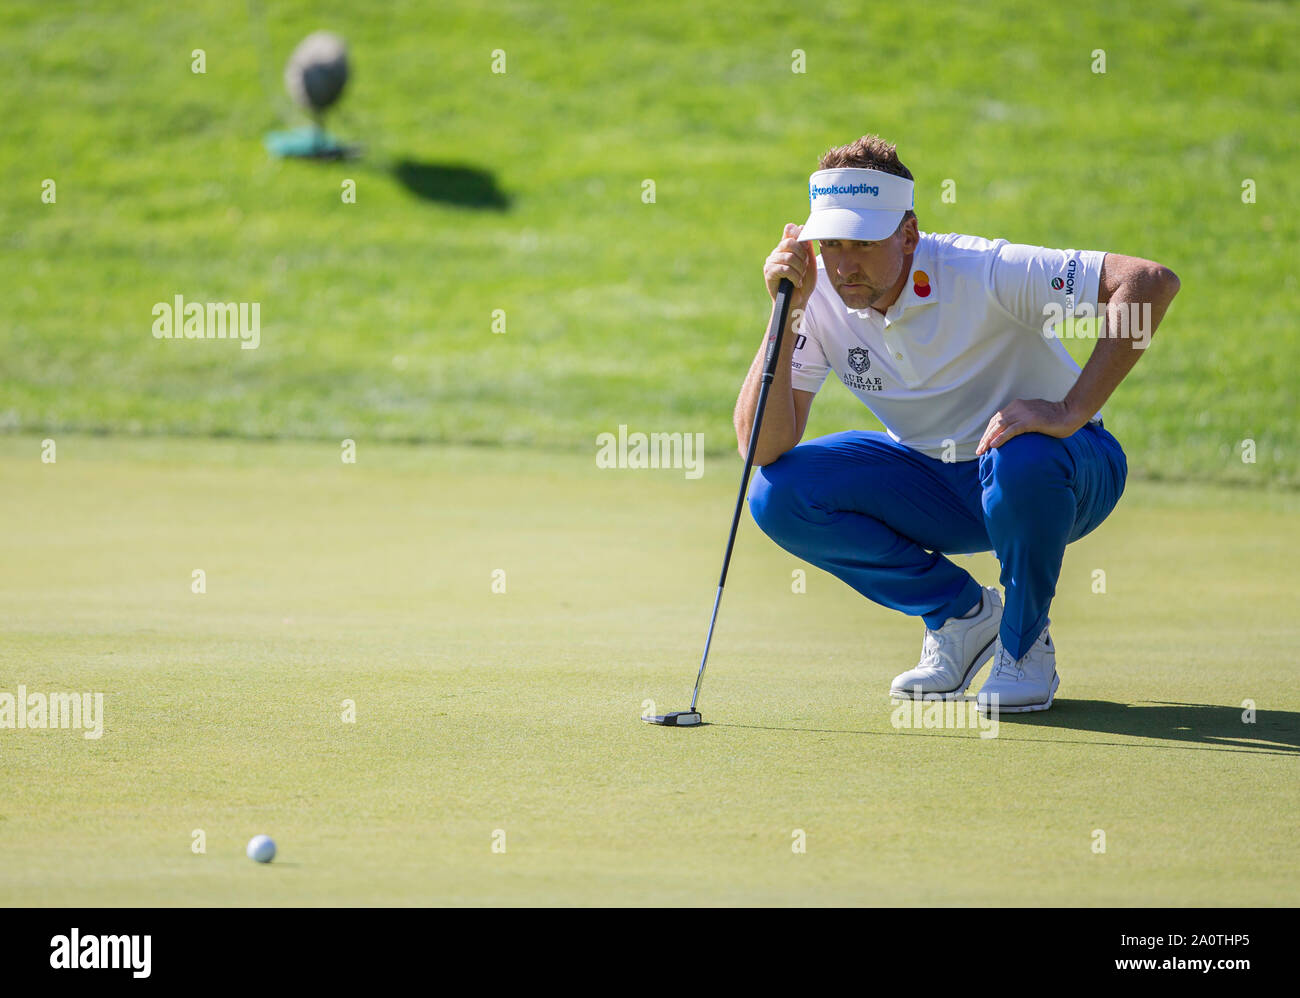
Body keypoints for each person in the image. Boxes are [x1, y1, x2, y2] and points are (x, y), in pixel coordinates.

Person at [736, 135, 1180, 713]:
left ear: (908, 233)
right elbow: (762, 446)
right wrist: (784, 312)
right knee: (779, 493)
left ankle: (1024, 649)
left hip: (1063, 468)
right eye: (831, 244)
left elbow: (1148, 284)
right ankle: (961, 616)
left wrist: (1069, 410)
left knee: (1022, 458)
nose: (844, 264)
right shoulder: (814, 296)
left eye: (863, 243)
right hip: (937, 480)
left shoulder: (981, 269)